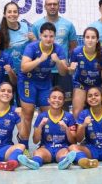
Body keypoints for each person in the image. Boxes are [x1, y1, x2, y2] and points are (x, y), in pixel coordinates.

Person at [19, 22, 68, 153]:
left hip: (45, 81)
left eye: (51, 36)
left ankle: (44, 144)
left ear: (55, 37)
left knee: (48, 113)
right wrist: (39, 60)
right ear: (40, 35)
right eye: (45, 36)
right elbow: (23, 67)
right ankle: (24, 145)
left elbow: (64, 72)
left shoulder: (58, 49)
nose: (48, 39)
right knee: (28, 113)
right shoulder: (32, 47)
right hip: (28, 81)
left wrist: (57, 61)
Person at [32, 0, 77, 111]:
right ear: (45, 6)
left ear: (59, 6)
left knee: (65, 104)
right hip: (44, 71)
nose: (52, 6)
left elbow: (73, 48)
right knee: (45, 105)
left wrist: (70, 66)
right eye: (49, 4)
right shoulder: (37, 25)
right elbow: (34, 47)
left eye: (55, 4)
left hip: (62, 70)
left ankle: (64, 127)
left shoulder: (68, 24)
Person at [17, 87, 77, 170]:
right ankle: (34, 163)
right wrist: (40, 126)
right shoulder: (42, 116)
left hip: (62, 148)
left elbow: (73, 141)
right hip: (46, 148)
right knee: (38, 153)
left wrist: (66, 128)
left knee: (65, 153)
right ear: (48, 100)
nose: (56, 100)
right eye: (54, 97)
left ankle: (64, 162)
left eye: (60, 98)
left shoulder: (69, 117)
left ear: (63, 102)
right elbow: (35, 140)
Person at [0, 1, 36, 105]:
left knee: (23, 105)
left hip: (23, 72)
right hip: (6, 73)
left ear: (19, 14)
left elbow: (36, 47)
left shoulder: (26, 27)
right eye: (9, 12)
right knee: (6, 106)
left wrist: (34, 39)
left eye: (15, 11)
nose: (12, 14)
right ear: (4, 14)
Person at [69, 27, 102, 119]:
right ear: (83, 39)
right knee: (77, 112)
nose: (90, 40)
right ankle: (79, 131)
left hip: (99, 84)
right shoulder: (76, 52)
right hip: (81, 83)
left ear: (97, 40)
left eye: (93, 37)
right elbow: (71, 72)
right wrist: (71, 69)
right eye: (87, 37)